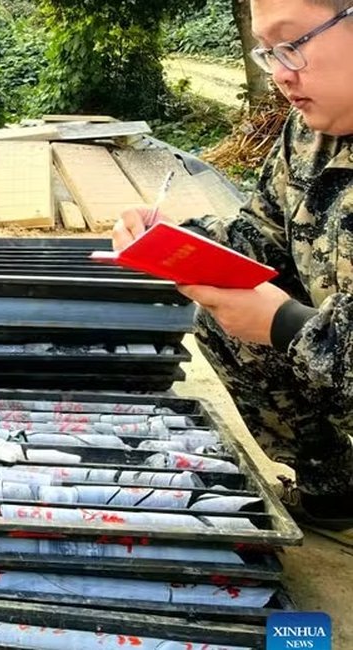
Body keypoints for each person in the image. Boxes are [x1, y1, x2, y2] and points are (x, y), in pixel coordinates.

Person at [113, 0, 353, 532]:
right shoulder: (310, 133)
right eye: (269, 53)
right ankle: (334, 488)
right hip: (332, 367)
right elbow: (260, 235)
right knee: (223, 320)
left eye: (294, 44)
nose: (282, 74)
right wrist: (174, 241)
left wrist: (284, 323)